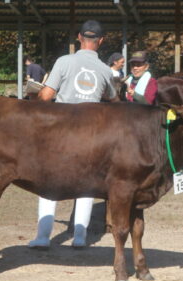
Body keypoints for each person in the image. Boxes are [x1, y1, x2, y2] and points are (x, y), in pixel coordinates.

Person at [29, 20, 116, 249]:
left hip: (62, 131)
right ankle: (80, 236)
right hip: (92, 133)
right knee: (87, 184)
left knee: (49, 181)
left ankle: (43, 237)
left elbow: (46, 96)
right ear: (101, 40)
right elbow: (114, 100)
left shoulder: (64, 62)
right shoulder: (106, 70)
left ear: (79, 37)